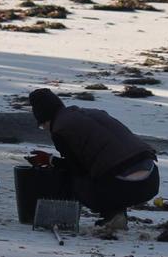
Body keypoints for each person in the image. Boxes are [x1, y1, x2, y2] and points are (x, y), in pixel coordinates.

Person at [26, 88, 159, 230]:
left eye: (42, 126)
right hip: (151, 179)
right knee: (110, 169)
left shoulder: (60, 129)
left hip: (122, 185)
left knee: (76, 181)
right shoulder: (94, 113)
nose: (45, 129)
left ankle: (112, 214)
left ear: (45, 119)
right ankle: (117, 214)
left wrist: (51, 161)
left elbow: (76, 169)